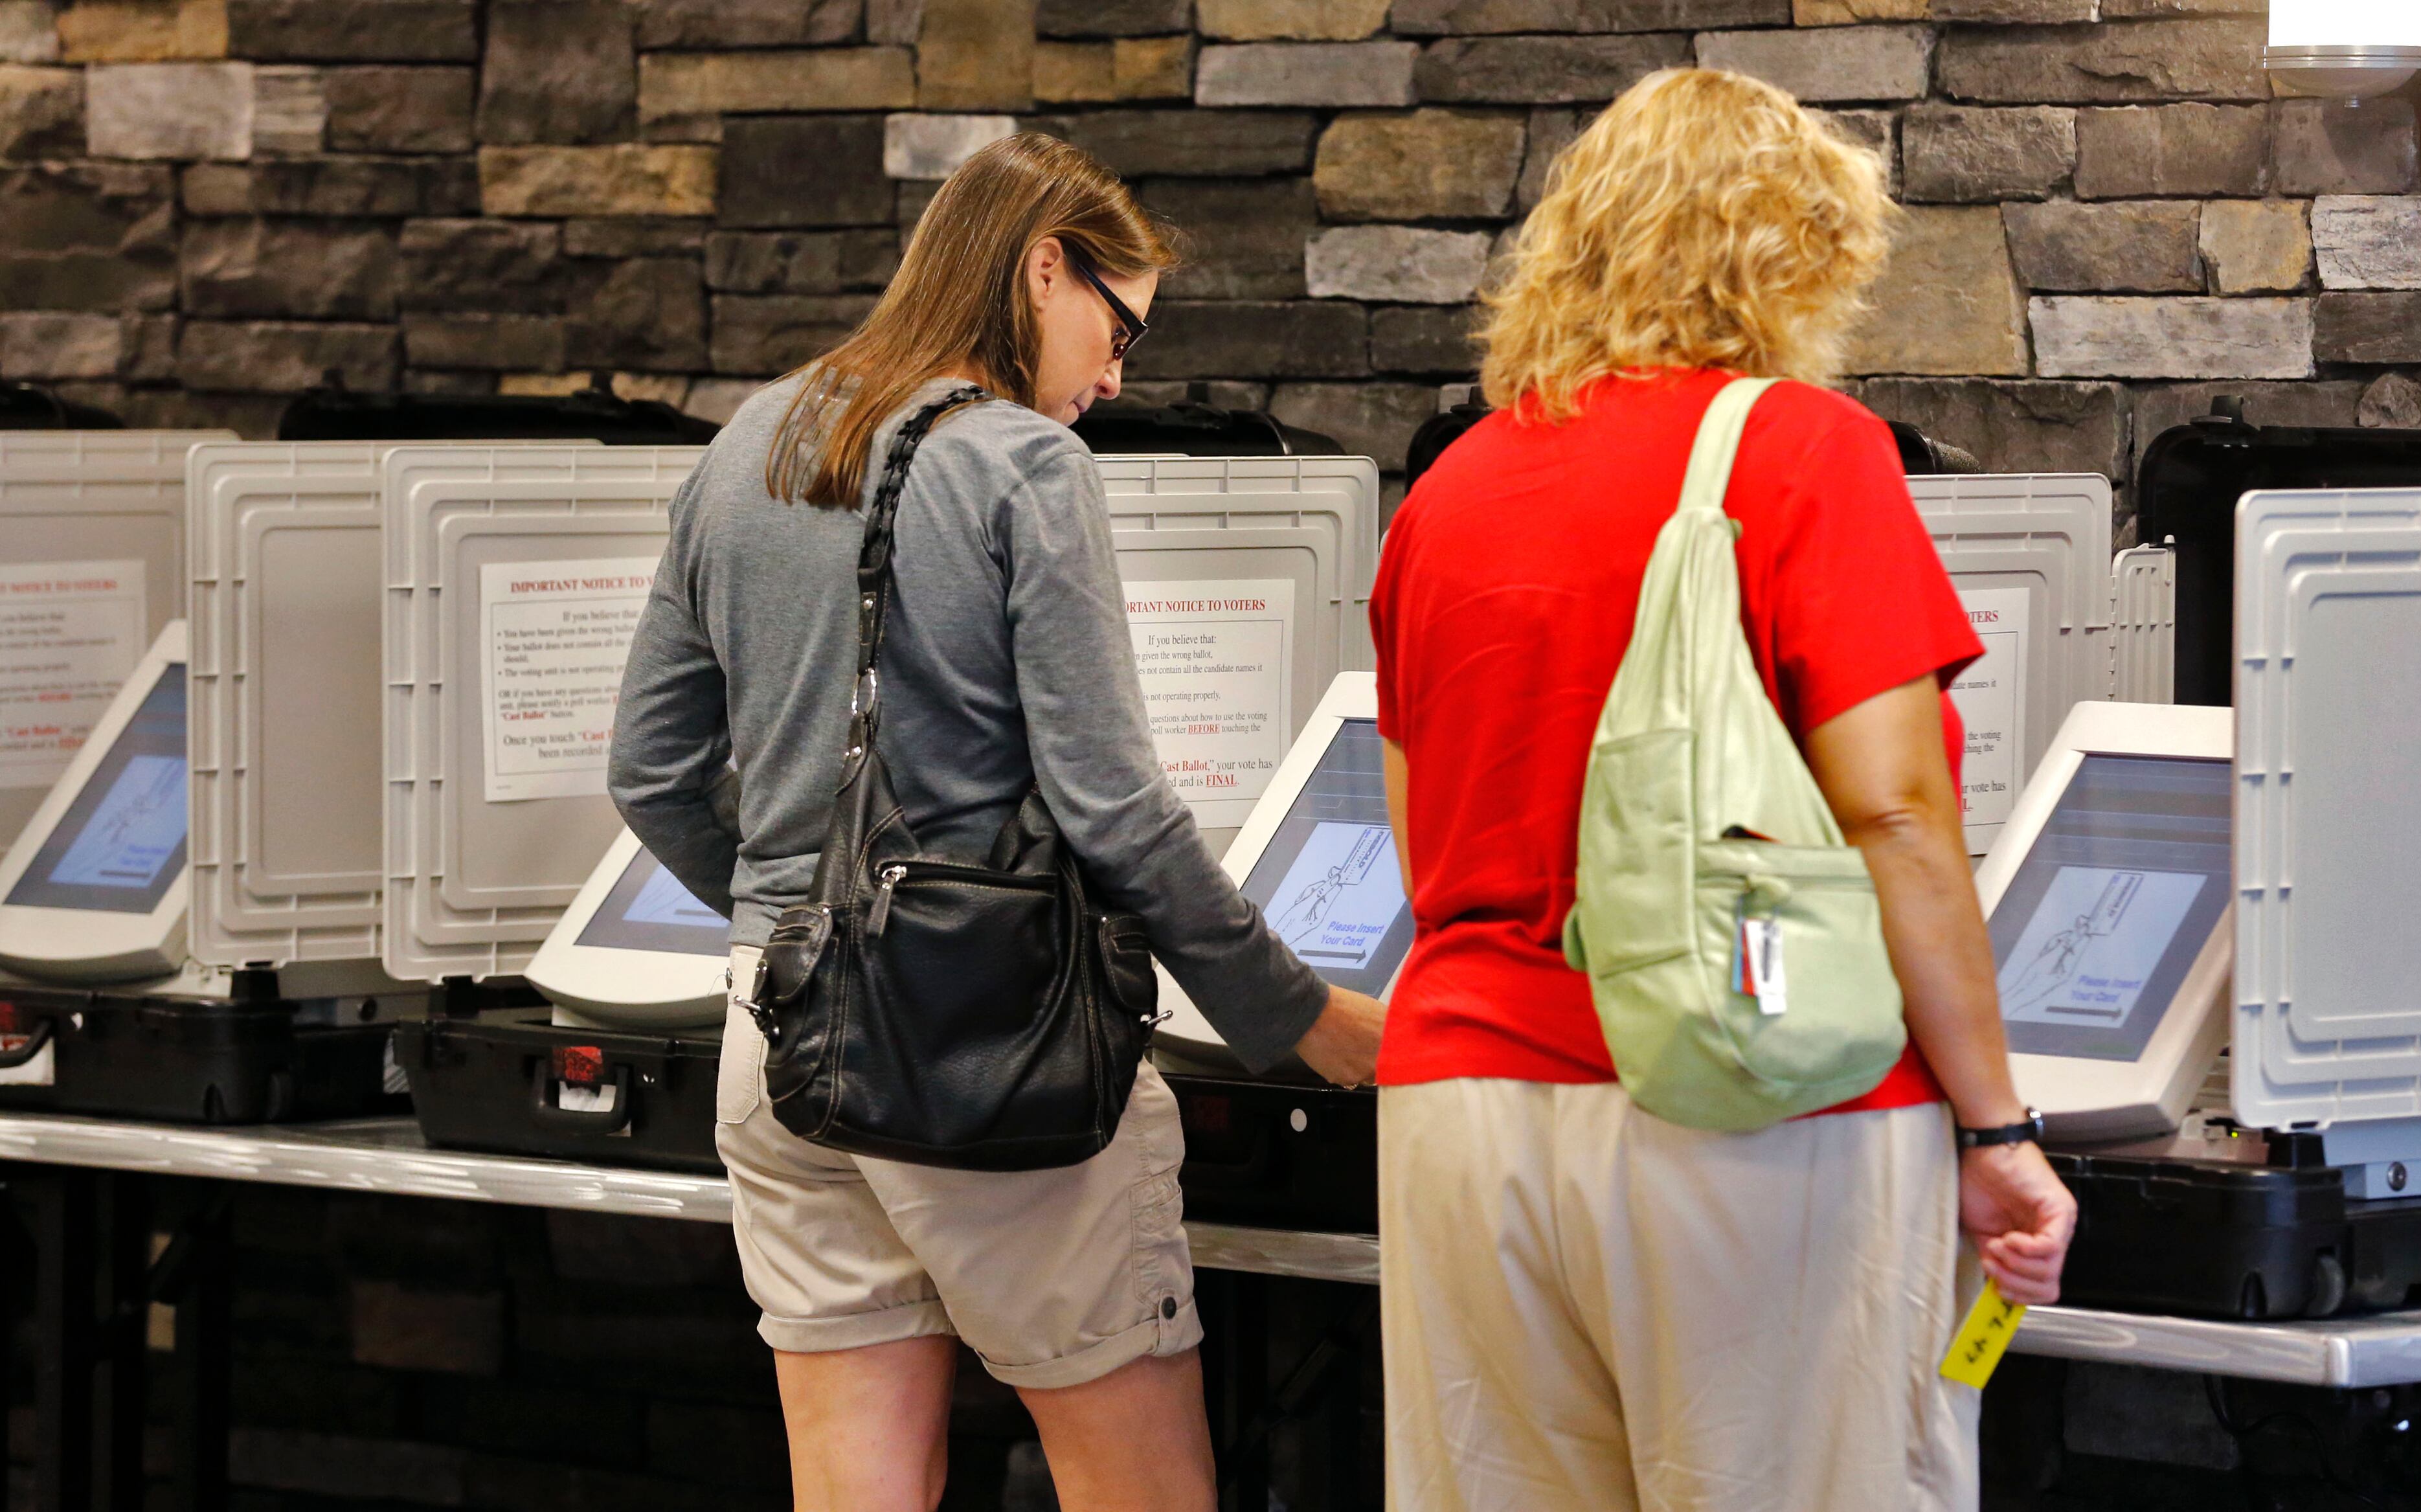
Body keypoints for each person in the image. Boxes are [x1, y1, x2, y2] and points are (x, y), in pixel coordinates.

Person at [608, 132, 1386, 1512]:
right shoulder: (1021, 461)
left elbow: (653, 769)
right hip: (992, 1051)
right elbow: (1116, 811)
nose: (1115, 374)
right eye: (1120, 323)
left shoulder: (747, 444)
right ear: (1043, 267)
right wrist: (1301, 1018)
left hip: (779, 1035)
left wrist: (810, 915)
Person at [1366, 69, 2078, 1511]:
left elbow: (1419, 832)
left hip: (1465, 1108)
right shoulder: (1805, 452)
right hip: (1754, 1103)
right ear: (1795, 251)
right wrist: (1999, 1130)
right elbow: (1895, 814)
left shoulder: (1449, 491)